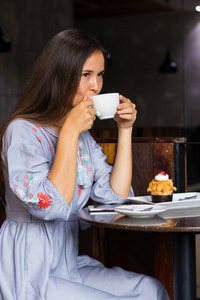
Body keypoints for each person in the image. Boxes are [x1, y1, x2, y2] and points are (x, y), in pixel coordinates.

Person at [0, 29, 169, 300]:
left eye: (100, 75)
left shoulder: (83, 137)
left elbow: (114, 196)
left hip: (69, 263)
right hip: (31, 269)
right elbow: (50, 207)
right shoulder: (21, 131)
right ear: (60, 75)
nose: (96, 86)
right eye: (86, 75)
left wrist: (125, 130)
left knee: (150, 290)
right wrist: (69, 132)